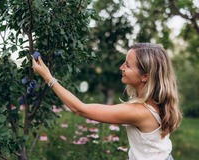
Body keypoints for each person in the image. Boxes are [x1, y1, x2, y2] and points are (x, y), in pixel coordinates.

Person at [31, 43, 182, 160]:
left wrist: (48, 78)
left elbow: (80, 109)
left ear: (145, 76)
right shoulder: (159, 102)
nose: (121, 67)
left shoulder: (139, 112)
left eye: (128, 65)